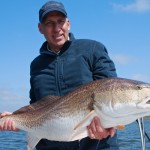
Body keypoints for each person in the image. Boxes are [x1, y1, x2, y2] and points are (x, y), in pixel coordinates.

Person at [0, 1, 119, 150]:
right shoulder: (36, 65)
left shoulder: (92, 49)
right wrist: (17, 118)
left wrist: (108, 128)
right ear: (40, 28)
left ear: (68, 23)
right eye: (49, 23)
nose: (57, 29)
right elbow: (36, 107)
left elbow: (112, 94)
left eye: (60, 22)